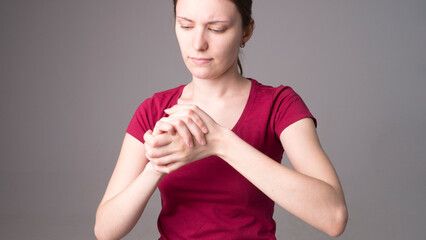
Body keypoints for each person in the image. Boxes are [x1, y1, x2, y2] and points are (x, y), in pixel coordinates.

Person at [94, 0, 348, 239]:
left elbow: (333, 217)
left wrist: (222, 143)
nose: (198, 44)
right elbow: (105, 231)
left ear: (246, 31)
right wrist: (157, 165)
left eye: (216, 29)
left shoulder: (279, 105)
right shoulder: (154, 110)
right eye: (186, 25)